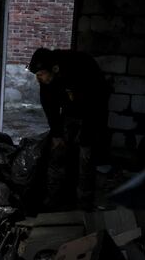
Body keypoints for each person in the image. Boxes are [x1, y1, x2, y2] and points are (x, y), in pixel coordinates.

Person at [27, 48, 110, 209]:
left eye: (41, 74)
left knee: (86, 158)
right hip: (69, 112)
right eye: (36, 75)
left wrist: (86, 135)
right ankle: (54, 201)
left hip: (92, 113)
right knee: (57, 152)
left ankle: (83, 206)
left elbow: (96, 104)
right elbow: (49, 105)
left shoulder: (81, 67)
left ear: (55, 69)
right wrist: (57, 134)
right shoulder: (47, 79)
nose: (38, 79)